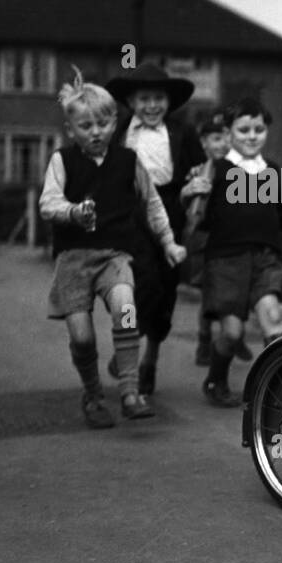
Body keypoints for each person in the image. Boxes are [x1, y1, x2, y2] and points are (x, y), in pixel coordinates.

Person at [40, 71, 187, 427]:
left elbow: (152, 204)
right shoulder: (62, 161)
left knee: (126, 309)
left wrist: (168, 242)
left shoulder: (128, 160)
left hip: (115, 256)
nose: (96, 132)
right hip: (73, 259)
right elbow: (47, 204)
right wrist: (72, 212)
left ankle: (130, 393)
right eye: (86, 125)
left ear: (114, 123)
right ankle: (92, 396)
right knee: (82, 336)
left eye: (104, 124)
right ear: (71, 128)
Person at [187, 97, 282, 406]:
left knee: (271, 314)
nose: (252, 136)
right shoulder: (215, 169)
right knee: (231, 332)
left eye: (259, 129)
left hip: (266, 258)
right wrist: (190, 194)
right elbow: (195, 215)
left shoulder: (271, 170)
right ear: (228, 134)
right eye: (243, 130)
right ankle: (216, 379)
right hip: (226, 260)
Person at [106, 63, 205, 399]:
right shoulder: (117, 131)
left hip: (169, 210)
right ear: (131, 102)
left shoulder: (182, 132)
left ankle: (151, 359)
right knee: (135, 281)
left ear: (168, 102)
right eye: (144, 98)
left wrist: (195, 197)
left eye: (158, 98)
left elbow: (200, 170)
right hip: (128, 212)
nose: (152, 106)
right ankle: (128, 349)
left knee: (165, 288)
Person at [179, 108, 245, 366]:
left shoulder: (236, 170)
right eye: (216, 139)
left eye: (226, 138)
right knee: (209, 293)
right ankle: (205, 339)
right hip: (204, 241)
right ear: (204, 143)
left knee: (234, 288)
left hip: (229, 239)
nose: (223, 144)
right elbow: (189, 210)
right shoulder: (198, 171)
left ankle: (231, 333)